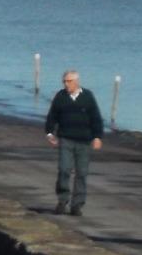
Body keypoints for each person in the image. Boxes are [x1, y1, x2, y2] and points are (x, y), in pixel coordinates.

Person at [44, 69, 103, 216]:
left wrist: (97, 137)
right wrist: (50, 133)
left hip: (84, 141)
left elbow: (96, 118)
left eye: (68, 81)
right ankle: (62, 200)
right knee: (64, 169)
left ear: (76, 81)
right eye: (64, 81)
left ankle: (77, 205)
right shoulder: (60, 96)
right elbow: (52, 116)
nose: (66, 84)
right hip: (66, 139)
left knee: (82, 173)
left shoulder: (87, 96)